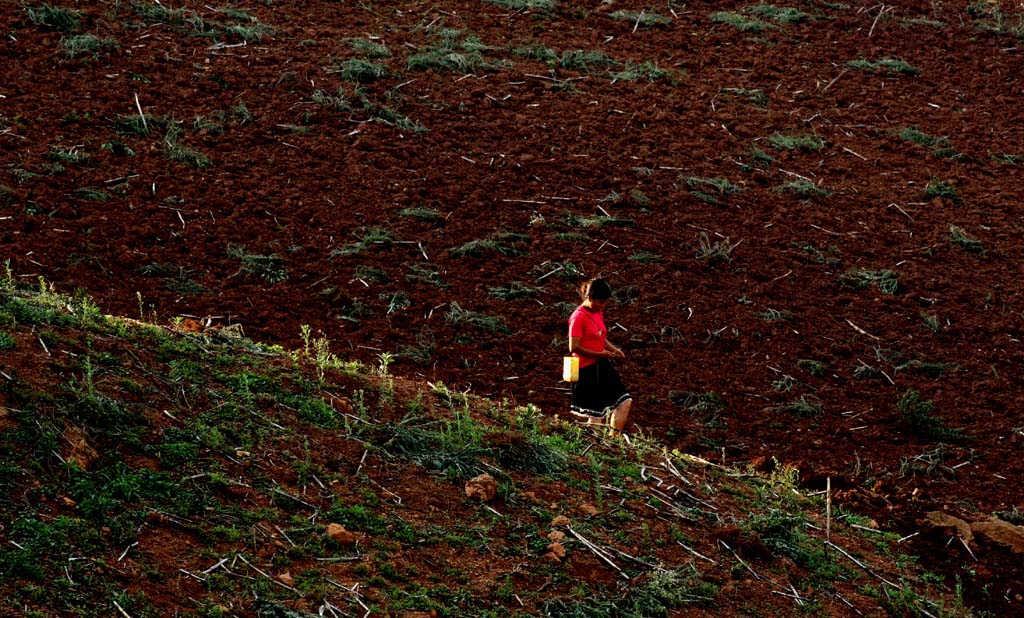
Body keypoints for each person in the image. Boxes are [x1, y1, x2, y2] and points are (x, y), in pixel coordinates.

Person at [567, 278, 632, 433]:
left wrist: (614, 349)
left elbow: (599, 335)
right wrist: (600, 354)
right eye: (600, 302)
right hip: (586, 370)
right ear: (589, 298)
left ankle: (612, 442)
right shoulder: (578, 317)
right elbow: (573, 347)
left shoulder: (597, 312)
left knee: (625, 402)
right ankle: (597, 448)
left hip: (601, 365)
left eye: (604, 303)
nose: (602, 306)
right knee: (596, 415)